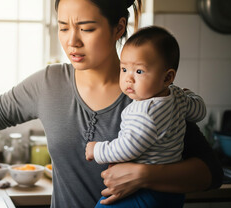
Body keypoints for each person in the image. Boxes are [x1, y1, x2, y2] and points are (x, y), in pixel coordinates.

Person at [0, 0, 223, 208]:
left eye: (87, 28)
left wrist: (144, 175)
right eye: (64, 27)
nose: (72, 41)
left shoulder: (151, 93)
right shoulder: (49, 82)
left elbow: (210, 172)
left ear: (119, 28)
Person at [85, 26, 206, 207]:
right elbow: (199, 111)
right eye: (124, 69)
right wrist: (192, 96)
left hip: (143, 193)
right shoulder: (178, 96)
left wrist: (97, 150)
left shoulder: (144, 112)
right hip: (171, 191)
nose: (128, 79)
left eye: (139, 71)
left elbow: (127, 148)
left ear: (167, 77)